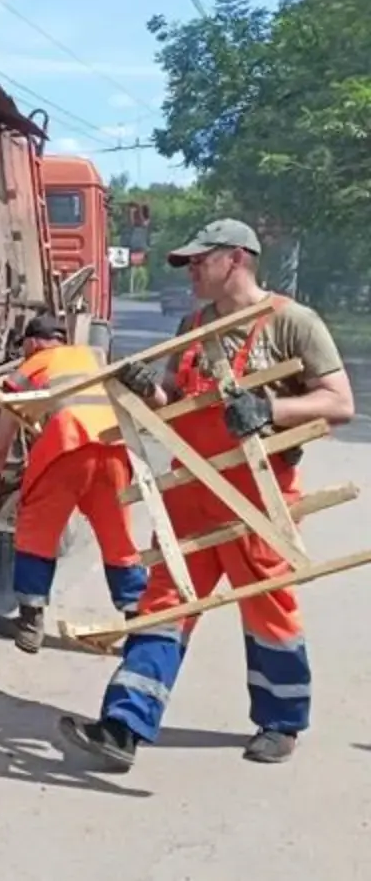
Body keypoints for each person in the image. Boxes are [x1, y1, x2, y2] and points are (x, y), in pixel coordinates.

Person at [58, 218, 355, 768]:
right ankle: (123, 726)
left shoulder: (292, 324)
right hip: (189, 495)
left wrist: (270, 410)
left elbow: (339, 403)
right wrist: (149, 387)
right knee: (161, 608)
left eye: (199, 261)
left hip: (258, 500)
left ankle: (282, 721)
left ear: (235, 259)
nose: (191, 271)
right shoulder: (193, 327)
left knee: (268, 611)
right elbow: (174, 400)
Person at [0, 313, 148, 653]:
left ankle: (30, 623)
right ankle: (140, 626)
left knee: (35, 532)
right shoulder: (93, 356)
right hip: (114, 450)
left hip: (66, 448)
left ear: (33, 343)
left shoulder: (31, 367)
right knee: (119, 540)